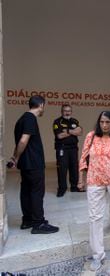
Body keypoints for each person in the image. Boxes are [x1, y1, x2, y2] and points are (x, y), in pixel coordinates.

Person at [77, 111, 110, 271]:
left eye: (108, 122)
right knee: (95, 217)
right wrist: (80, 178)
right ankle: (97, 254)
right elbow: (83, 157)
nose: (104, 125)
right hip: (94, 180)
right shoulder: (91, 136)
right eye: (102, 122)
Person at [8, 95, 59, 234]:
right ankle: (38, 224)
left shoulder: (21, 119)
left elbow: (19, 142)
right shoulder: (31, 118)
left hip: (25, 163)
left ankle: (27, 220)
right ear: (41, 105)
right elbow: (23, 141)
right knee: (37, 192)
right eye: (44, 106)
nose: (44, 109)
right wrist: (16, 156)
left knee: (26, 191)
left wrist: (15, 158)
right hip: (33, 163)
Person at [53, 104, 83, 197]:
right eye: (65, 111)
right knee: (62, 169)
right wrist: (74, 132)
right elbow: (59, 135)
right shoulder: (57, 122)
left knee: (74, 168)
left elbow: (80, 132)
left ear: (71, 111)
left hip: (73, 148)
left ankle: (74, 187)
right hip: (62, 148)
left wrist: (68, 131)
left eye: (69, 111)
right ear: (62, 111)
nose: (67, 112)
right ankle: (62, 189)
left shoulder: (75, 121)